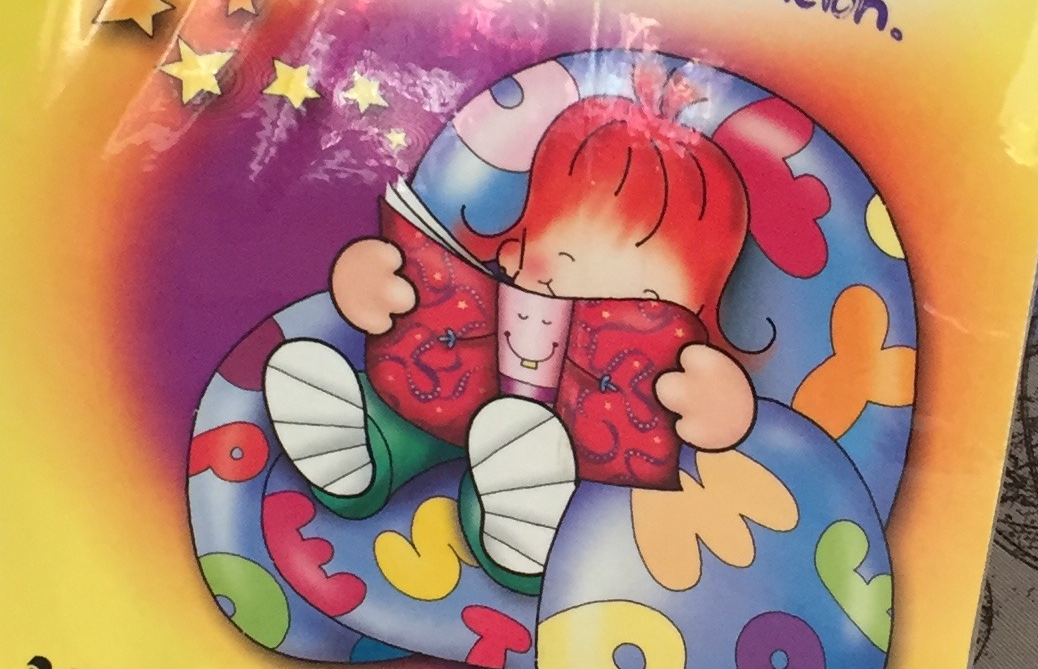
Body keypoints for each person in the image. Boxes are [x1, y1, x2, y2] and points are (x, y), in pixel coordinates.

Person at [265, 71, 758, 592]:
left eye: (640, 300)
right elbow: (383, 298)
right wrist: (367, 284)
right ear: (514, 252)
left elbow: (720, 426)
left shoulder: (684, 365)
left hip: (582, 461)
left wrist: (724, 411)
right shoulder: (488, 282)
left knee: (520, 474)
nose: (585, 300)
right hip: (449, 400)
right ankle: (356, 443)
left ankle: (525, 530)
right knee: (401, 408)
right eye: (563, 263)